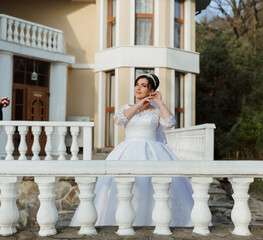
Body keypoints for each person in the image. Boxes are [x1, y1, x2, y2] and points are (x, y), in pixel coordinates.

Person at [70, 74, 194, 227]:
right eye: (137, 84)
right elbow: (119, 120)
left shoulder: (156, 111)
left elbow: (169, 123)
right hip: (127, 151)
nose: (138, 88)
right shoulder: (128, 108)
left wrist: (160, 102)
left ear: (151, 90)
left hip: (153, 152)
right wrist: (139, 105)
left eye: (143, 85)